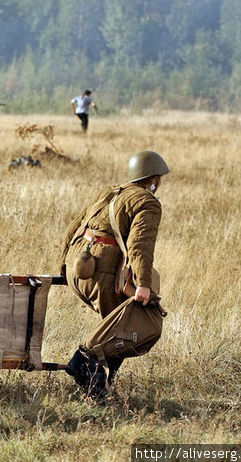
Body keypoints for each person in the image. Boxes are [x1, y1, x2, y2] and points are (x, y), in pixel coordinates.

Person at [59, 150, 169, 399]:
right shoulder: (147, 202)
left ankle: (100, 386)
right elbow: (140, 245)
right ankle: (87, 372)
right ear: (153, 179)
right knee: (123, 326)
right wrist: (143, 284)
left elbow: (74, 226)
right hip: (102, 275)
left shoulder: (108, 191)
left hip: (77, 269)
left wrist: (62, 266)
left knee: (112, 324)